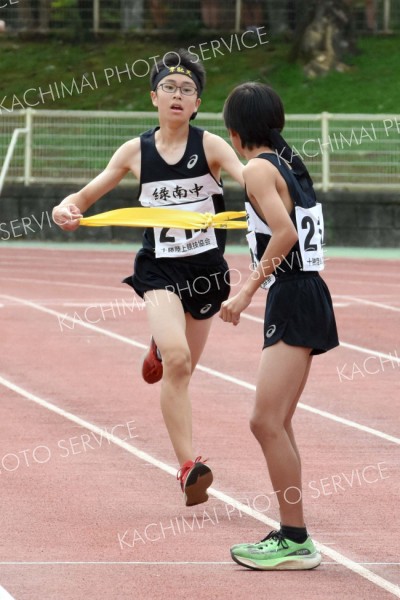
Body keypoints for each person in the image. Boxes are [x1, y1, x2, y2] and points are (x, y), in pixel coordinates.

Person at [52, 48, 244, 507]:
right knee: (177, 362)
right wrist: (67, 208)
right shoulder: (134, 151)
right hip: (158, 269)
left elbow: (247, 177)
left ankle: (161, 342)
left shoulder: (211, 146)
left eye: (188, 90)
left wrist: (271, 189)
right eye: (169, 88)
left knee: (184, 369)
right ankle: (187, 466)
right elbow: (86, 193)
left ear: (197, 103)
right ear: (153, 96)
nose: (178, 96)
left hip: (206, 274)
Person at [220, 82, 339, 570]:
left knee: (264, 421)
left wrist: (245, 290)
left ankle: (295, 539)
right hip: (303, 293)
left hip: (291, 294)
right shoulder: (286, 161)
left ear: (233, 131)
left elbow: (285, 233)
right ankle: (294, 534)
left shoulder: (256, 168)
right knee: (278, 422)